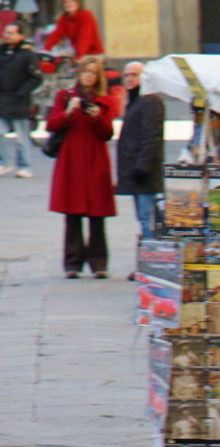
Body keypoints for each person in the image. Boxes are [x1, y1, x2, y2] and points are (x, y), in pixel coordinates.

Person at [46, 53, 116, 278]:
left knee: (97, 214)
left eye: (93, 74)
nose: (89, 77)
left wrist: (96, 117)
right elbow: (52, 124)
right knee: (72, 214)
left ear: (98, 78)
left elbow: (107, 134)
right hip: (72, 159)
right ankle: (73, 264)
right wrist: (69, 111)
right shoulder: (65, 96)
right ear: (79, 74)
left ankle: (99, 263)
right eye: (86, 72)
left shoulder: (105, 100)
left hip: (95, 160)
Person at [115, 60, 164, 243]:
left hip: (145, 175)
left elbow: (152, 137)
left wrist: (142, 167)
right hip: (137, 172)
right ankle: (147, 261)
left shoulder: (149, 101)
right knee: (144, 219)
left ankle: (151, 261)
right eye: (127, 75)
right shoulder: (136, 101)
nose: (129, 79)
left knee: (148, 219)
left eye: (134, 75)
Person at [0, 21, 40, 178]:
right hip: (2, 99)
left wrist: (22, 92)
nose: (7, 36)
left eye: (11, 33)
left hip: (19, 101)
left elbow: (35, 78)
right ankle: (4, 162)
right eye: (6, 32)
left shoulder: (27, 54)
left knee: (21, 136)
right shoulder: (1, 52)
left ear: (21, 36)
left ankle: (24, 166)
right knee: (0, 133)